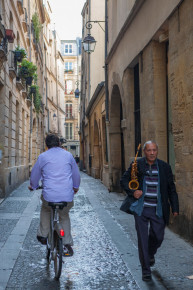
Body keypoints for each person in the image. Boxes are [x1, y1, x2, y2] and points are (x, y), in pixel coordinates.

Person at [120, 141, 179, 282]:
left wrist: (175, 208)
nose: (152, 153)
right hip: (140, 209)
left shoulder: (164, 167)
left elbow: (171, 188)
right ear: (144, 152)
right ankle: (145, 270)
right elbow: (123, 180)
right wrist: (133, 192)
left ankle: (150, 254)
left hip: (158, 209)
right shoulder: (137, 164)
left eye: (154, 150)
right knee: (142, 239)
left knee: (158, 236)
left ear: (157, 151)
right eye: (149, 150)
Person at [28, 134, 80, 256]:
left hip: (49, 195)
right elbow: (76, 175)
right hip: (66, 195)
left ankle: (43, 235)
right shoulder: (68, 155)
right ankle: (67, 244)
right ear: (59, 144)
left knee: (46, 208)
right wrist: (75, 187)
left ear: (46, 145)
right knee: (64, 215)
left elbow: (35, 176)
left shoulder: (43, 157)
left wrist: (33, 186)